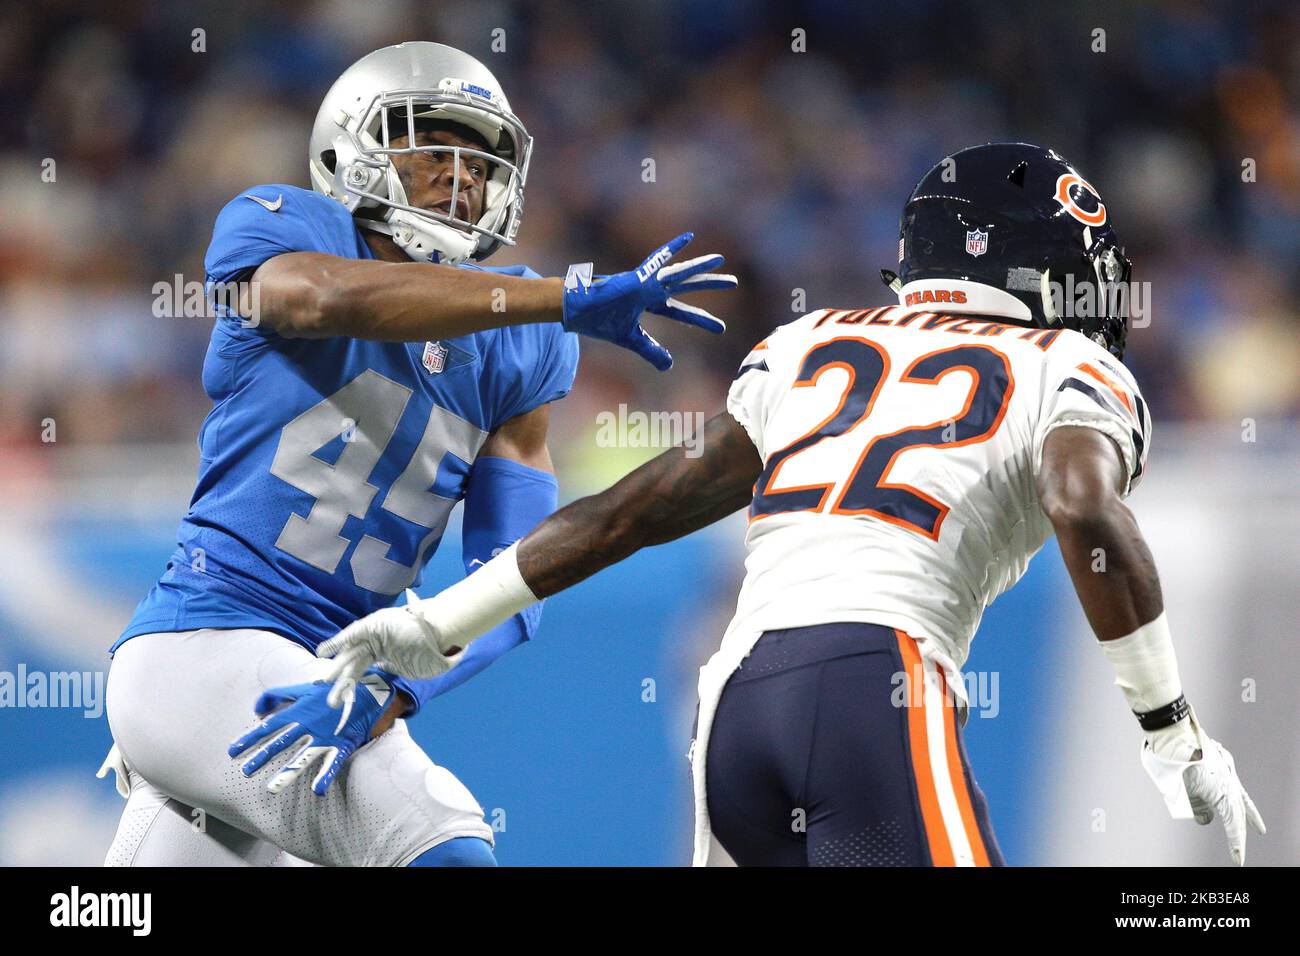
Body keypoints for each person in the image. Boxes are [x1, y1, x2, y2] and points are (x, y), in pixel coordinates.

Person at [316, 143, 1265, 867]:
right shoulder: (1069, 362)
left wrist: (438, 619)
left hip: (733, 704)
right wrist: (1168, 729)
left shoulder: (809, 340)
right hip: (875, 678)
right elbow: (1081, 504)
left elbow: (633, 511)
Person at [98, 40, 735, 867]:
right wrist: (560, 298)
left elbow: (514, 578)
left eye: (479, 160)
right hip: (210, 638)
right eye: (434, 146)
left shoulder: (527, 346)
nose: (461, 175)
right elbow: (324, 297)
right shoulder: (283, 225)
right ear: (351, 148)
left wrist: (395, 685)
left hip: (321, 680)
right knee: (447, 845)